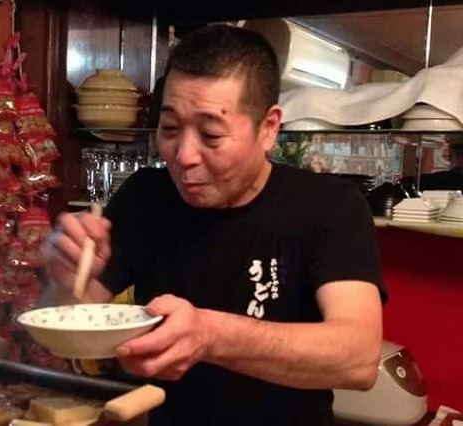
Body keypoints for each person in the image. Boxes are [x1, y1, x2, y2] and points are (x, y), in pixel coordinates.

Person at [41, 24, 386, 425]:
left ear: (269, 128)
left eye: (211, 134)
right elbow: (73, 317)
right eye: (170, 129)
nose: (184, 155)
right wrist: (64, 280)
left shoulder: (329, 207)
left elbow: (358, 358)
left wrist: (209, 335)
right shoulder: (144, 197)